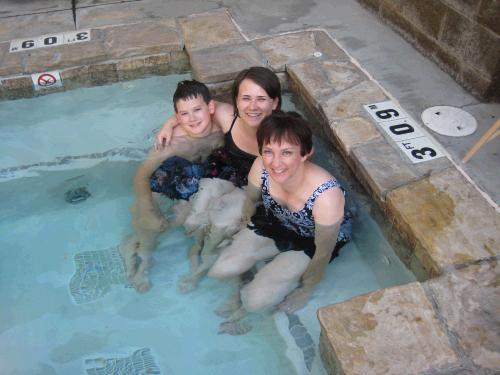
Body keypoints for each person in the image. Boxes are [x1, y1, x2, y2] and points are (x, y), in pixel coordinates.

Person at [208, 111, 352, 335]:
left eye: (286, 153)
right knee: (219, 270)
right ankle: (248, 281)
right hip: (277, 222)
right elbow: (250, 201)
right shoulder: (261, 167)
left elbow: (323, 251)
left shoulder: (326, 196)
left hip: (311, 241)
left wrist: (306, 289)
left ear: (306, 153)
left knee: (256, 302)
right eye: (268, 151)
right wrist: (241, 226)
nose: (275, 163)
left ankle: (248, 300)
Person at [120, 80, 223, 293]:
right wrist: (147, 208)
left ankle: (135, 242)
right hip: (168, 170)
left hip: (195, 173)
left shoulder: (221, 131)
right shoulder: (172, 142)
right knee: (150, 213)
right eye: (184, 114)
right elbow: (141, 175)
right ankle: (144, 255)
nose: (192, 118)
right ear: (177, 117)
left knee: (182, 219)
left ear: (210, 108)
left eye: (197, 110)